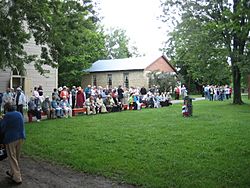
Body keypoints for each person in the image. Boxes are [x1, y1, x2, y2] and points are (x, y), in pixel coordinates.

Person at [0, 102, 25, 184]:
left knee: (12, 157)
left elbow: (2, 128)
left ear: (6, 109)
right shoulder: (19, 113)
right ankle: (12, 172)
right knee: (16, 157)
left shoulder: (7, 116)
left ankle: (17, 178)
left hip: (11, 139)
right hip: (21, 137)